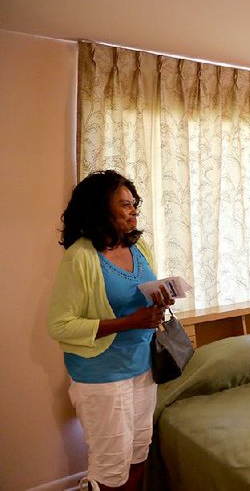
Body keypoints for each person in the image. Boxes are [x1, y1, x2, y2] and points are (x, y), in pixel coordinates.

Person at [48, 170, 174, 491]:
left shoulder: (139, 247)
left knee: (138, 452)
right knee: (111, 466)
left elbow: (139, 292)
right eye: (124, 204)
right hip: (102, 376)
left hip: (142, 367)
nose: (133, 210)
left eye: (134, 204)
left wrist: (160, 298)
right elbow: (60, 325)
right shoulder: (81, 257)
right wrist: (129, 323)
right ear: (100, 209)